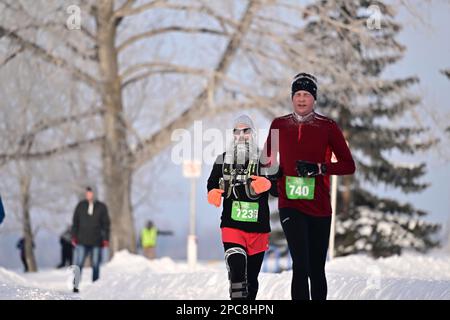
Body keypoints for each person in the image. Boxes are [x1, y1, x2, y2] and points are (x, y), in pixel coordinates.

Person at [262, 73, 356, 300]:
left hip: (320, 206)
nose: (301, 99)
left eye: (306, 94)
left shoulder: (327, 127)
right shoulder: (279, 125)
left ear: (314, 98)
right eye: (297, 94)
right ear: (292, 97)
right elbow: (265, 160)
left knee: (316, 269)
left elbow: (348, 165)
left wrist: (320, 168)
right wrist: (273, 178)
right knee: (301, 265)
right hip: (290, 204)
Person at [207, 115, 277, 300]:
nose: (241, 135)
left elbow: (279, 187)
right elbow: (212, 182)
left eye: (246, 131)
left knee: (251, 280)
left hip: (258, 229)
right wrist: (212, 191)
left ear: (252, 134)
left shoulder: (265, 160)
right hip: (232, 226)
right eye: (236, 131)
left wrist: (269, 184)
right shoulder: (222, 160)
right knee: (238, 271)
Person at [71, 186, 110, 293]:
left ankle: (95, 287)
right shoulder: (80, 206)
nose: (89, 195)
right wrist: (73, 236)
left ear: (94, 193)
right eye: (87, 193)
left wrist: (106, 239)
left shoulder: (101, 207)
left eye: (91, 193)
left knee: (96, 264)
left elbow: (106, 224)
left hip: (96, 241)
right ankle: (76, 285)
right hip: (81, 240)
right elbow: (75, 222)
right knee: (79, 263)